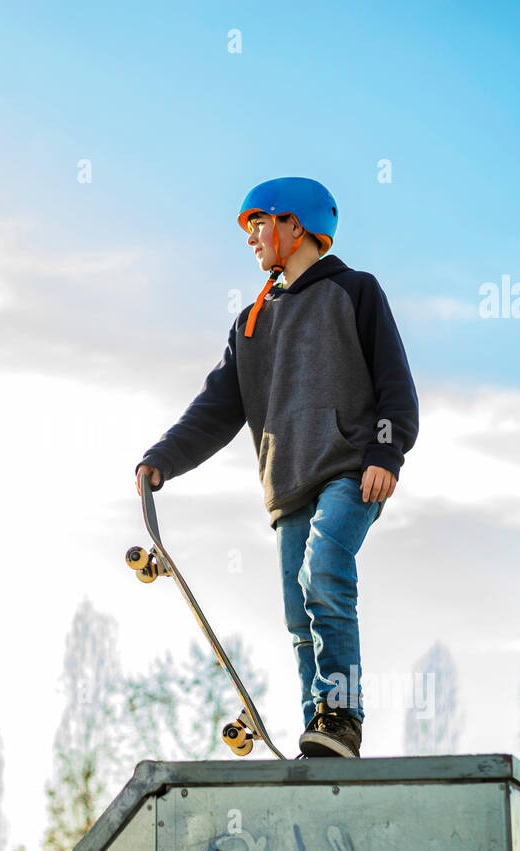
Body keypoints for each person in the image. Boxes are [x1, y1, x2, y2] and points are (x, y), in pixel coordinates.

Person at [134, 177, 419, 758]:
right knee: (297, 615)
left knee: (325, 570)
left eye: (259, 223)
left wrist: (387, 452)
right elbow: (216, 408)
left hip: (351, 471)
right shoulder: (251, 323)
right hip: (288, 487)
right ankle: (321, 727)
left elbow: (396, 383)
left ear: (297, 225)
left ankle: (343, 713)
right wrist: (163, 458)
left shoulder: (355, 291)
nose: (251, 238)